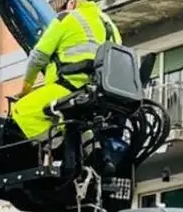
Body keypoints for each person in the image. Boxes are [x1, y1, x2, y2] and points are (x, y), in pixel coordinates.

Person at [10, 0, 122, 141]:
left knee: (23, 109)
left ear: (72, 3)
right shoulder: (110, 25)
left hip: (72, 86)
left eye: (61, 8)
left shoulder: (67, 18)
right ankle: (90, 151)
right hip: (102, 91)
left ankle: (57, 148)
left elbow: (37, 58)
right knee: (76, 124)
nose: (59, 12)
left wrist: (26, 88)